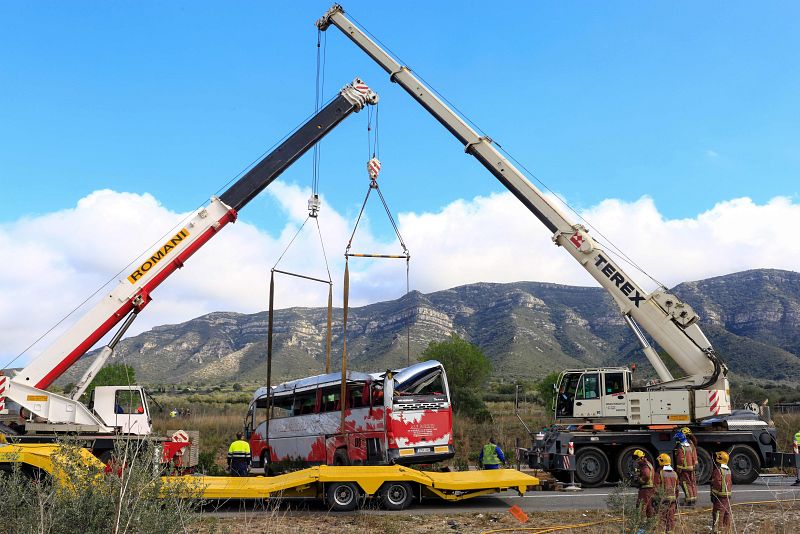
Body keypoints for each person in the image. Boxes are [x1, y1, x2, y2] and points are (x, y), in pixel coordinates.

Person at [655, 453, 679, 534]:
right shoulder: (674, 473)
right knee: (670, 517)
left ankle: (661, 532)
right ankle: (670, 531)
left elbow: (656, 487)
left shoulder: (660, 473)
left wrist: (655, 499)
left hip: (663, 499)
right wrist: (676, 499)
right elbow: (677, 489)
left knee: (662, 518)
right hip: (672, 500)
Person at [710, 451, 733, 533]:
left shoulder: (718, 471)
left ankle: (718, 530)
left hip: (719, 496)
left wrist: (714, 494)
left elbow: (717, 483)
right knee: (726, 513)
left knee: (718, 513)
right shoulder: (728, 470)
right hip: (727, 496)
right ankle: (726, 529)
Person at [673, 430, 697, 506]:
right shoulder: (689, 446)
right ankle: (693, 498)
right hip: (691, 468)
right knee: (692, 483)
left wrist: (678, 470)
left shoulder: (680, 447)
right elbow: (693, 457)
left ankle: (689, 500)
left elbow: (680, 460)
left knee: (686, 484)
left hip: (684, 469)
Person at [633, 449, 656, 520]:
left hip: (646, 488)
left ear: (641, 458)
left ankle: (640, 521)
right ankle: (650, 521)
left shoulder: (644, 465)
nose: (635, 461)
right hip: (649, 488)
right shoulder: (646, 464)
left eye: (636, 459)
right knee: (649, 505)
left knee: (641, 505)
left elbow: (646, 475)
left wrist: (639, 480)